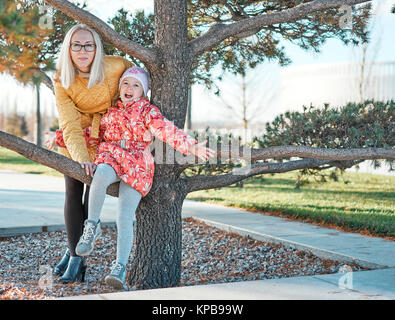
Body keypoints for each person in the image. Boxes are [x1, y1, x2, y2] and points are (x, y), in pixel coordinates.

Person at [74, 66, 216, 290]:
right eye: (126, 83)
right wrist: (60, 136)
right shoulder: (110, 113)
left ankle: (119, 267)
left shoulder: (147, 111)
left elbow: (166, 130)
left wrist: (190, 146)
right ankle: (91, 227)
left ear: (144, 91)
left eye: (136, 85)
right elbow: (89, 134)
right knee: (99, 175)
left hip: (137, 164)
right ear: (119, 87)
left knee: (125, 214)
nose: (129, 88)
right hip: (112, 155)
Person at [51, 23, 133, 283]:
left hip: (109, 133)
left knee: (93, 192)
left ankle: (73, 253)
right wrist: (81, 157)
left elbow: (136, 86)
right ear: (69, 48)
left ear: (97, 48)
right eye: (77, 45)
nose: (83, 50)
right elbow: (69, 123)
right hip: (77, 137)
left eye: (89, 45)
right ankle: (76, 261)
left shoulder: (116, 65)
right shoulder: (61, 78)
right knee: (73, 188)